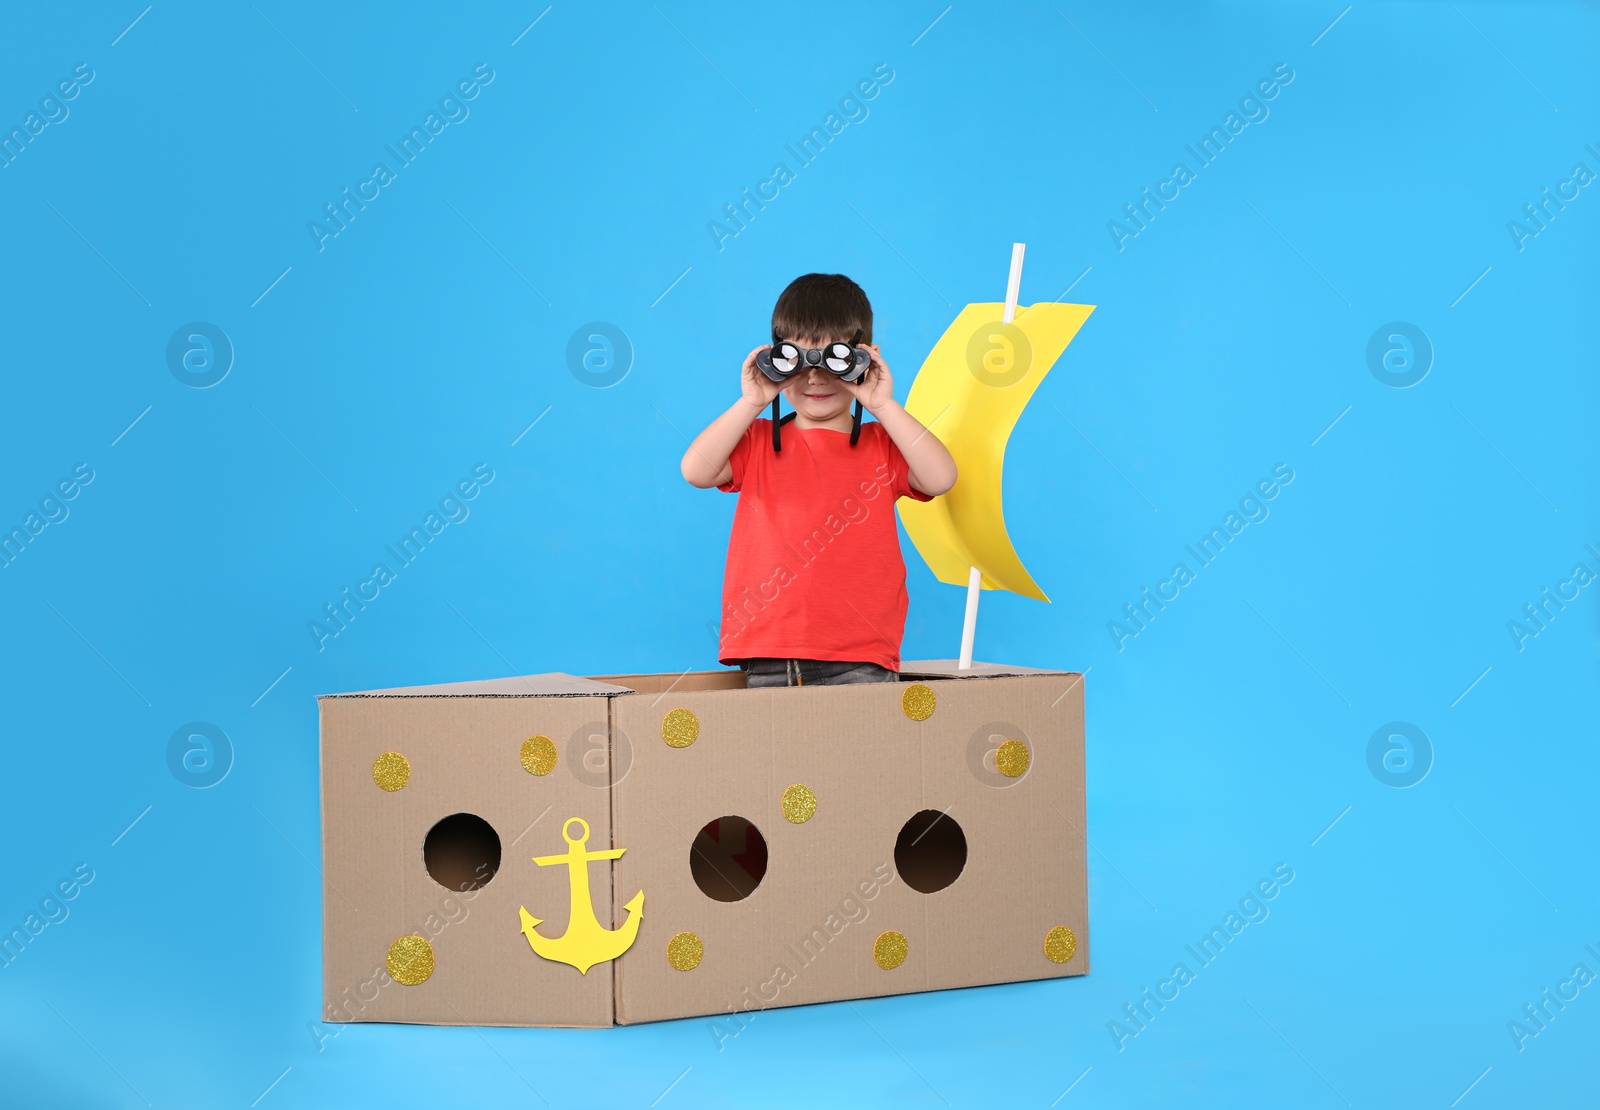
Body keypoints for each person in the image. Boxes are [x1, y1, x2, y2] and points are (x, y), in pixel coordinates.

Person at [681, 273, 957, 688]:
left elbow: (941, 478)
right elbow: (695, 470)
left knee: (860, 753)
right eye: (797, 360)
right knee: (776, 755)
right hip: (769, 648)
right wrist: (752, 400)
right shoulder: (755, 441)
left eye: (836, 360)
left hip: (859, 653)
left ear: (865, 359)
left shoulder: (882, 444)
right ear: (776, 360)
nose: (816, 377)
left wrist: (882, 403)